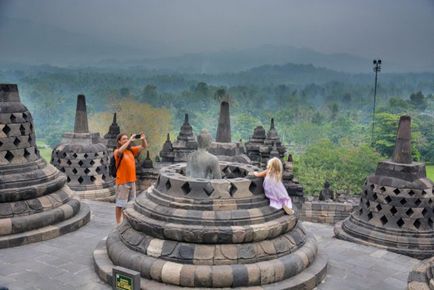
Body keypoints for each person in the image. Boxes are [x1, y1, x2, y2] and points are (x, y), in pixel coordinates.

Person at [114, 132, 148, 224]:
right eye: (124, 139)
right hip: (122, 182)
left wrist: (143, 139)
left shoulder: (131, 150)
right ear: (119, 142)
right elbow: (120, 151)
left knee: (130, 203)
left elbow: (144, 146)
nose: (126, 140)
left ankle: (126, 221)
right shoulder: (117, 152)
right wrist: (130, 140)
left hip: (132, 181)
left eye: (127, 138)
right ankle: (118, 222)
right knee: (120, 204)